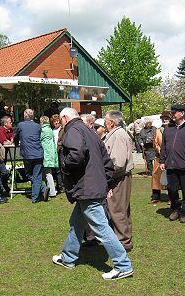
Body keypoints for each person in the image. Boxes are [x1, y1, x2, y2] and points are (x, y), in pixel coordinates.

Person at [52, 107, 133, 280]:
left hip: (87, 188)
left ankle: (123, 265)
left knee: (101, 227)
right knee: (77, 222)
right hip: (93, 186)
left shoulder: (73, 130)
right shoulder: (91, 132)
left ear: (65, 118)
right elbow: (106, 161)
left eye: (61, 120)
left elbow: (76, 156)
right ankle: (68, 257)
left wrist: (64, 165)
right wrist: (108, 183)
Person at [104, 110, 134, 252]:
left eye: (106, 120)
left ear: (112, 122)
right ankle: (123, 239)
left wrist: (108, 176)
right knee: (120, 209)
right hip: (119, 176)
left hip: (119, 177)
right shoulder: (118, 134)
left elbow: (119, 163)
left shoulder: (118, 135)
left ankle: (123, 242)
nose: (104, 122)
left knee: (117, 209)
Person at [14, 109, 49, 203]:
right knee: (37, 175)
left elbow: (16, 137)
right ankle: (42, 189)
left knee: (29, 174)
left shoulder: (20, 125)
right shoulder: (38, 126)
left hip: (27, 154)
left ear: (25, 116)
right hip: (38, 153)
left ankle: (35, 197)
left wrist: (16, 143)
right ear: (33, 116)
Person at [149, 111, 171, 204]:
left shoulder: (173, 129)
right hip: (159, 157)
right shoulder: (158, 130)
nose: (164, 120)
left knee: (170, 177)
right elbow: (155, 143)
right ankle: (156, 196)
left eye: (166, 118)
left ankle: (172, 197)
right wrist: (159, 150)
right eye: (163, 118)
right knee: (155, 175)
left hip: (170, 157)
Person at [0, 115, 14, 195]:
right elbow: (4, 142)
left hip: (4, 154)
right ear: (5, 123)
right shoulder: (0, 130)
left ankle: (1, 190)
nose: (11, 123)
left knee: (1, 172)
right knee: (4, 172)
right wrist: (10, 141)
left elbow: (13, 136)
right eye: (10, 122)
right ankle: (3, 188)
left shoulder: (9, 129)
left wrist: (12, 139)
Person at [40, 116, 58, 197]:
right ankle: (49, 189)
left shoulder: (43, 130)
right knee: (48, 172)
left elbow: (40, 139)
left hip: (45, 153)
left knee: (47, 173)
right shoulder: (50, 129)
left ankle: (51, 191)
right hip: (51, 153)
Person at [50, 114, 64, 193]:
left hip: (60, 151)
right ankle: (59, 185)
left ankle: (62, 186)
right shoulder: (52, 130)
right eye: (54, 121)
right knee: (56, 169)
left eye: (57, 121)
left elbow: (64, 139)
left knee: (61, 169)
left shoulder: (62, 129)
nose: (56, 122)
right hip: (54, 151)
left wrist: (59, 144)